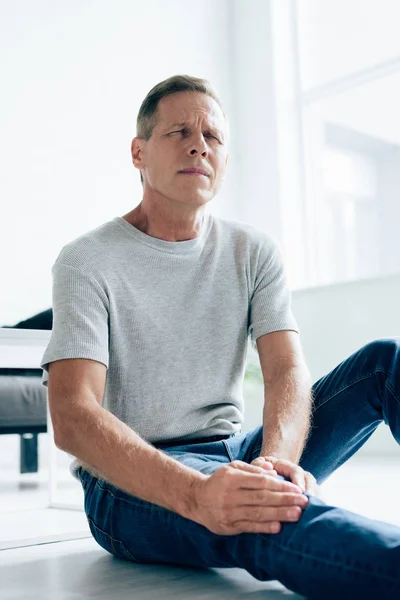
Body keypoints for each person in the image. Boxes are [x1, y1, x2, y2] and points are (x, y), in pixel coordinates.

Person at [41, 75, 400, 600]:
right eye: (179, 131)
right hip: (128, 480)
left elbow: (285, 371)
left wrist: (276, 462)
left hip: (235, 450)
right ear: (138, 153)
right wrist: (198, 494)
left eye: (212, 137)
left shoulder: (252, 250)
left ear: (224, 161)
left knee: (384, 363)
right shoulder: (88, 259)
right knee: (267, 513)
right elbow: (72, 417)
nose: (198, 144)